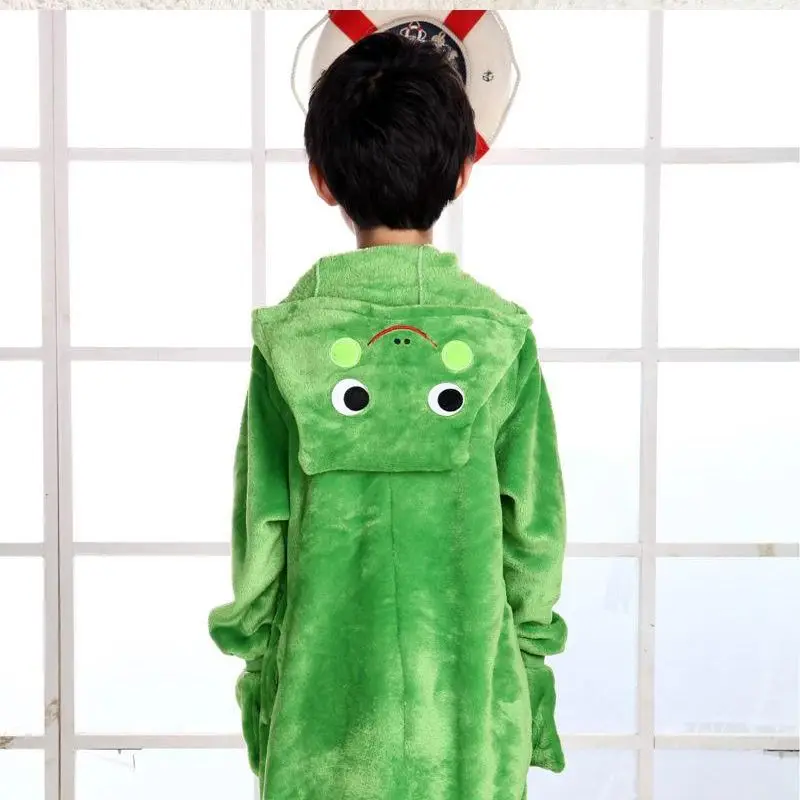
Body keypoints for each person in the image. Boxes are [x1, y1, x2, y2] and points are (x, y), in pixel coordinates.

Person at [209, 31, 567, 800]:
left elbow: (260, 533)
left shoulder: (289, 343)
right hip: (466, 708)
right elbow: (534, 536)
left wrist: (261, 673)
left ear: (321, 179)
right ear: (462, 173)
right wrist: (528, 669)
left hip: (322, 710)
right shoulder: (501, 339)